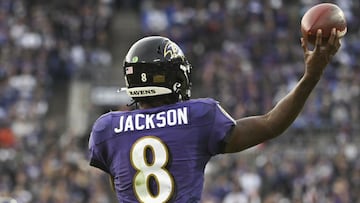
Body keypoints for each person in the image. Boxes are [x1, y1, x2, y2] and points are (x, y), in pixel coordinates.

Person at [88, 28, 341, 202]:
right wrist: (311, 76)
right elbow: (271, 124)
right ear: (175, 77)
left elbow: (121, 184)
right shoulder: (198, 116)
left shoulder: (107, 129)